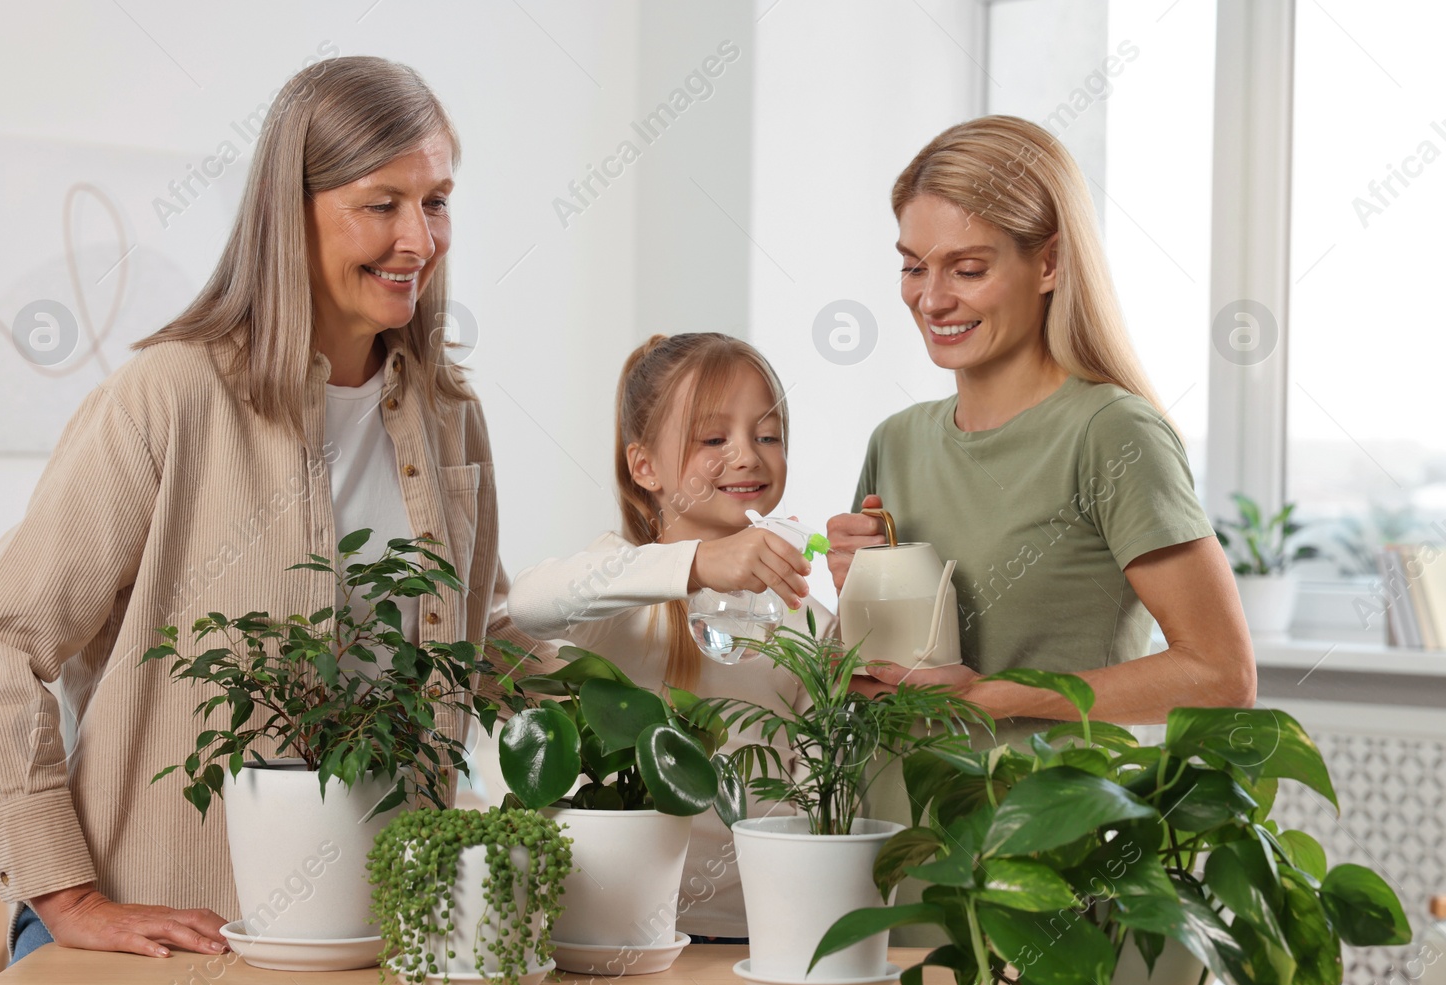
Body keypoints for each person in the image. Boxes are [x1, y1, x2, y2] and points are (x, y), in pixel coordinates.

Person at [0, 56, 545, 985]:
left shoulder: (450, 416)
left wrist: (677, 590)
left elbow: (483, 647)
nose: (418, 239)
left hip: (361, 950)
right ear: (290, 211)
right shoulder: (168, 396)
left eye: (436, 202)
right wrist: (64, 893)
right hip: (161, 947)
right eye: (380, 204)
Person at [825, 116, 1255, 846]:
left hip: (1048, 864)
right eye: (912, 265)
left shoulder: (1109, 433)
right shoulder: (895, 441)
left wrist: (991, 699)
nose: (931, 299)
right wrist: (856, 588)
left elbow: (1221, 674)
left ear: (1049, 263)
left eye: (967, 268)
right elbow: (886, 671)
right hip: (889, 843)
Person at [500, 332, 823, 941]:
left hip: (755, 933)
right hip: (610, 930)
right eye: (713, 438)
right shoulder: (620, 588)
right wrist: (697, 564)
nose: (748, 455)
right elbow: (530, 602)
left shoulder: (805, 617)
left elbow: (816, 794)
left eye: (768, 435)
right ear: (643, 465)